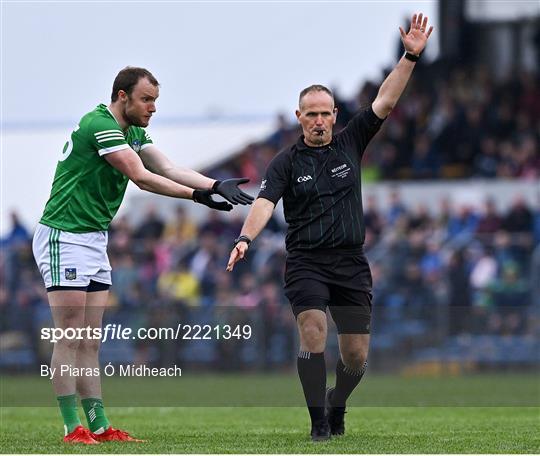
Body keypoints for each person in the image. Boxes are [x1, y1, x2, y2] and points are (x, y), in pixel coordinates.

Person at [227, 13, 433, 441]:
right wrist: (246, 237)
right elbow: (264, 202)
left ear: (335, 114)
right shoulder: (285, 161)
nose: (319, 121)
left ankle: (337, 402)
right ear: (298, 116)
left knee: (356, 358)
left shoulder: (351, 141)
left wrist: (410, 56)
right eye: (311, 114)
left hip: (351, 263)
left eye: (325, 113)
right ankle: (318, 422)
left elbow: (386, 102)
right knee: (313, 330)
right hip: (306, 262)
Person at [32, 66, 253, 445]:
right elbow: (141, 176)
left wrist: (215, 184)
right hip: (63, 236)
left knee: (89, 340)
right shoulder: (99, 124)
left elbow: (166, 166)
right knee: (68, 335)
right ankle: (72, 429)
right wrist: (197, 197)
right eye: (146, 100)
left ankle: (99, 427)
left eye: (155, 101)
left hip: (93, 238)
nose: (152, 108)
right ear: (122, 97)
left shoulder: (132, 131)